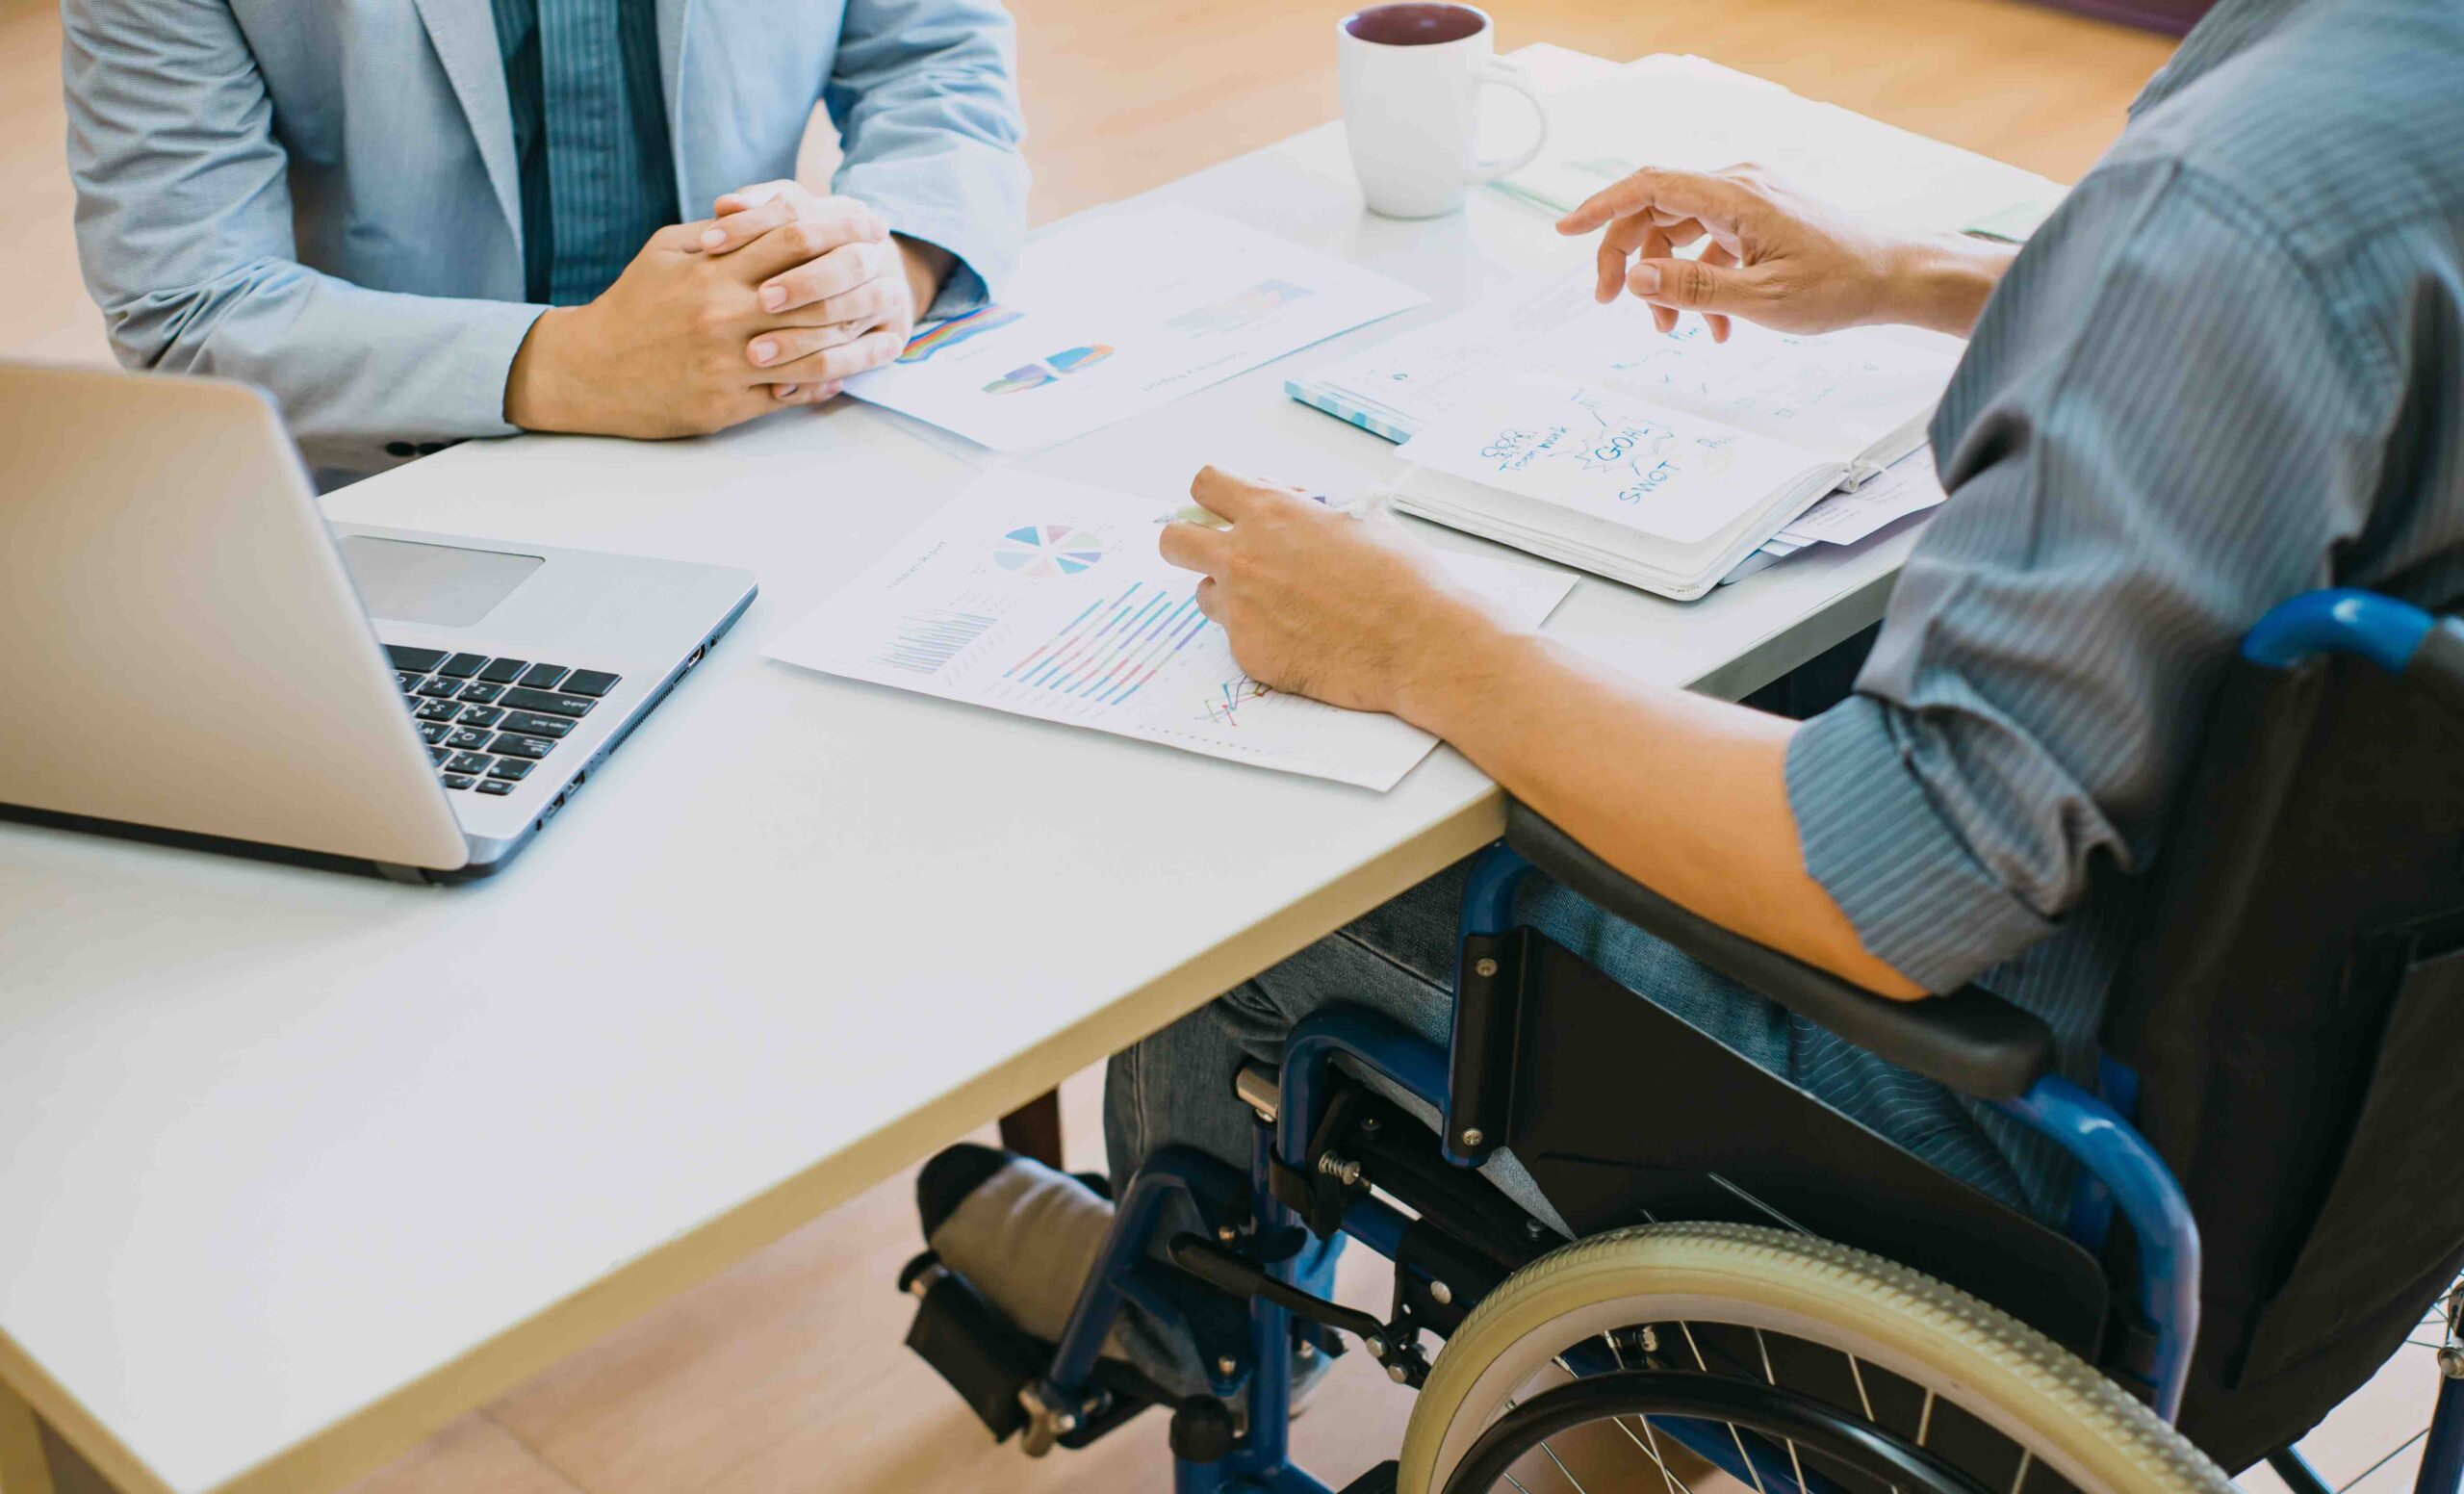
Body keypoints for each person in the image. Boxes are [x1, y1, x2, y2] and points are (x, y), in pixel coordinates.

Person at [912, 0, 2464, 1400]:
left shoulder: (2237, 205)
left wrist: (1415, 647)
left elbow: (1893, 881)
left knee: (1297, 826)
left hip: (2009, 1169)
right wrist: (1919, 279)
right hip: (2349, 1160)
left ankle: (1172, 1324)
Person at [62, 0, 1027, 486]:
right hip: (399, 485)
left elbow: (934, 58)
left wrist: (884, 268)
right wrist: (574, 367)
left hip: (773, 433)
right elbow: (186, 302)